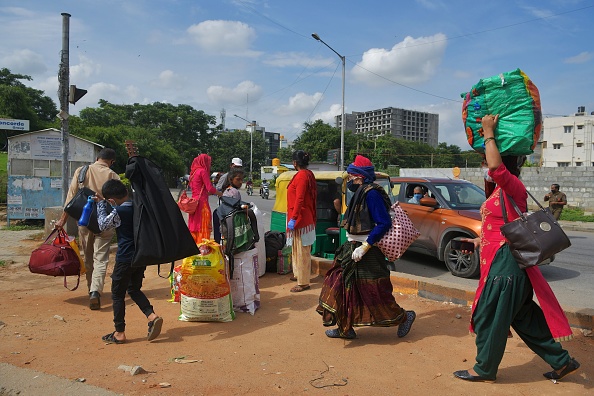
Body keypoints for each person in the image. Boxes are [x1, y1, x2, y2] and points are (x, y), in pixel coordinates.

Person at [454, 114, 579, 382]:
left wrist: (489, 132)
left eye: (487, 158)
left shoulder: (512, 185)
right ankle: (561, 361)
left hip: (506, 267)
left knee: (489, 314)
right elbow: (502, 228)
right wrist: (478, 242)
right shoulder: (499, 192)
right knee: (525, 319)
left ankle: (484, 369)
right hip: (503, 263)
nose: (484, 164)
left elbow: (496, 169)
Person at [316, 155, 416, 339]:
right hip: (351, 248)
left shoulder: (372, 194)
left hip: (368, 251)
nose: (350, 180)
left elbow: (383, 222)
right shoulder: (360, 191)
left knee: (374, 292)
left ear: (360, 177)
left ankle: (404, 316)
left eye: (352, 176)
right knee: (341, 285)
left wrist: (365, 247)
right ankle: (345, 327)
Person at [95, 179, 163, 344]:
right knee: (134, 289)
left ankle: (119, 332)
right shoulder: (139, 207)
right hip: (141, 256)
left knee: (117, 294)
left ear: (111, 200)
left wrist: (100, 205)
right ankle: (152, 316)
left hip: (125, 257)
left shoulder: (119, 211)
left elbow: (102, 225)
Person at [54, 148, 120, 310]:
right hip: (105, 223)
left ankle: (91, 289)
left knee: (88, 258)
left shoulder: (81, 171)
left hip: (84, 221)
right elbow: (118, 202)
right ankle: (95, 291)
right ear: (111, 161)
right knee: (101, 259)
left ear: (97, 158)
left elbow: (71, 198)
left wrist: (62, 220)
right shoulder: (113, 175)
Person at [286, 150, 317, 293]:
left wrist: (293, 218)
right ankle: (298, 274)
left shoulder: (302, 176)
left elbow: (299, 199)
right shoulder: (308, 174)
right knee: (297, 248)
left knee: (302, 250)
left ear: (295, 163)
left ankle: (303, 282)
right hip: (303, 217)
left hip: (300, 218)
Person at [188, 154, 223, 244]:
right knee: (202, 226)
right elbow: (210, 188)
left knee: (195, 226)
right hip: (202, 205)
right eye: (209, 162)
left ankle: (195, 247)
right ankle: (202, 247)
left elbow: (198, 189)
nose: (209, 164)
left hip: (194, 204)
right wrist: (221, 194)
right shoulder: (203, 171)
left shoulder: (193, 173)